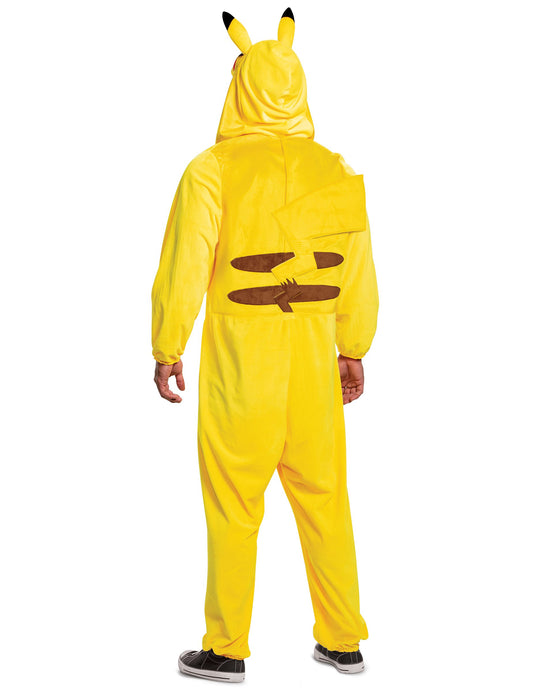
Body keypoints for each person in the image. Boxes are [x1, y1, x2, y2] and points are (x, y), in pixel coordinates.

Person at [151, 8, 379, 683]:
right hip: (312, 363)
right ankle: (343, 640)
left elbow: (186, 265)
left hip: (240, 366)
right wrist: (352, 347)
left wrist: (167, 345)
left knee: (232, 503)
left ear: (239, 83)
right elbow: (356, 266)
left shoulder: (211, 170)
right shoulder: (334, 168)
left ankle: (225, 649)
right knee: (325, 498)